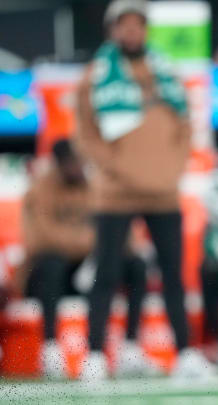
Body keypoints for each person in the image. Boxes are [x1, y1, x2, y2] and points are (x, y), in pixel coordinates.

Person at [73, 0, 213, 379]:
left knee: (172, 274)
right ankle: (96, 355)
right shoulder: (96, 75)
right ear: (112, 29)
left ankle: (185, 353)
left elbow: (185, 127)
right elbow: (85, 133)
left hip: (162, 189)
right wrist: (114, 167)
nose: (131, 32)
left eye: (138, 25)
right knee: (107, 272)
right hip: (115, 190)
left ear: (146, 30)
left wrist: (172, 168)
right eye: (124, 25)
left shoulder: (166, 73)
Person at [20, 139, 148, 378]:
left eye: (81, 162)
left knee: (136, 267)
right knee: (51, 265)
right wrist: (92, 243)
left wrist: (98, 250)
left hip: (91, 268)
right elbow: (40, 239)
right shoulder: (40, 190)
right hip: (52, 274)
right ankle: (50, 349)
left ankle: (130, 348)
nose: (78, 168)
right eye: (72, 163)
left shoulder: (98, 188)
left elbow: (125, 236)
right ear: (58, 165)